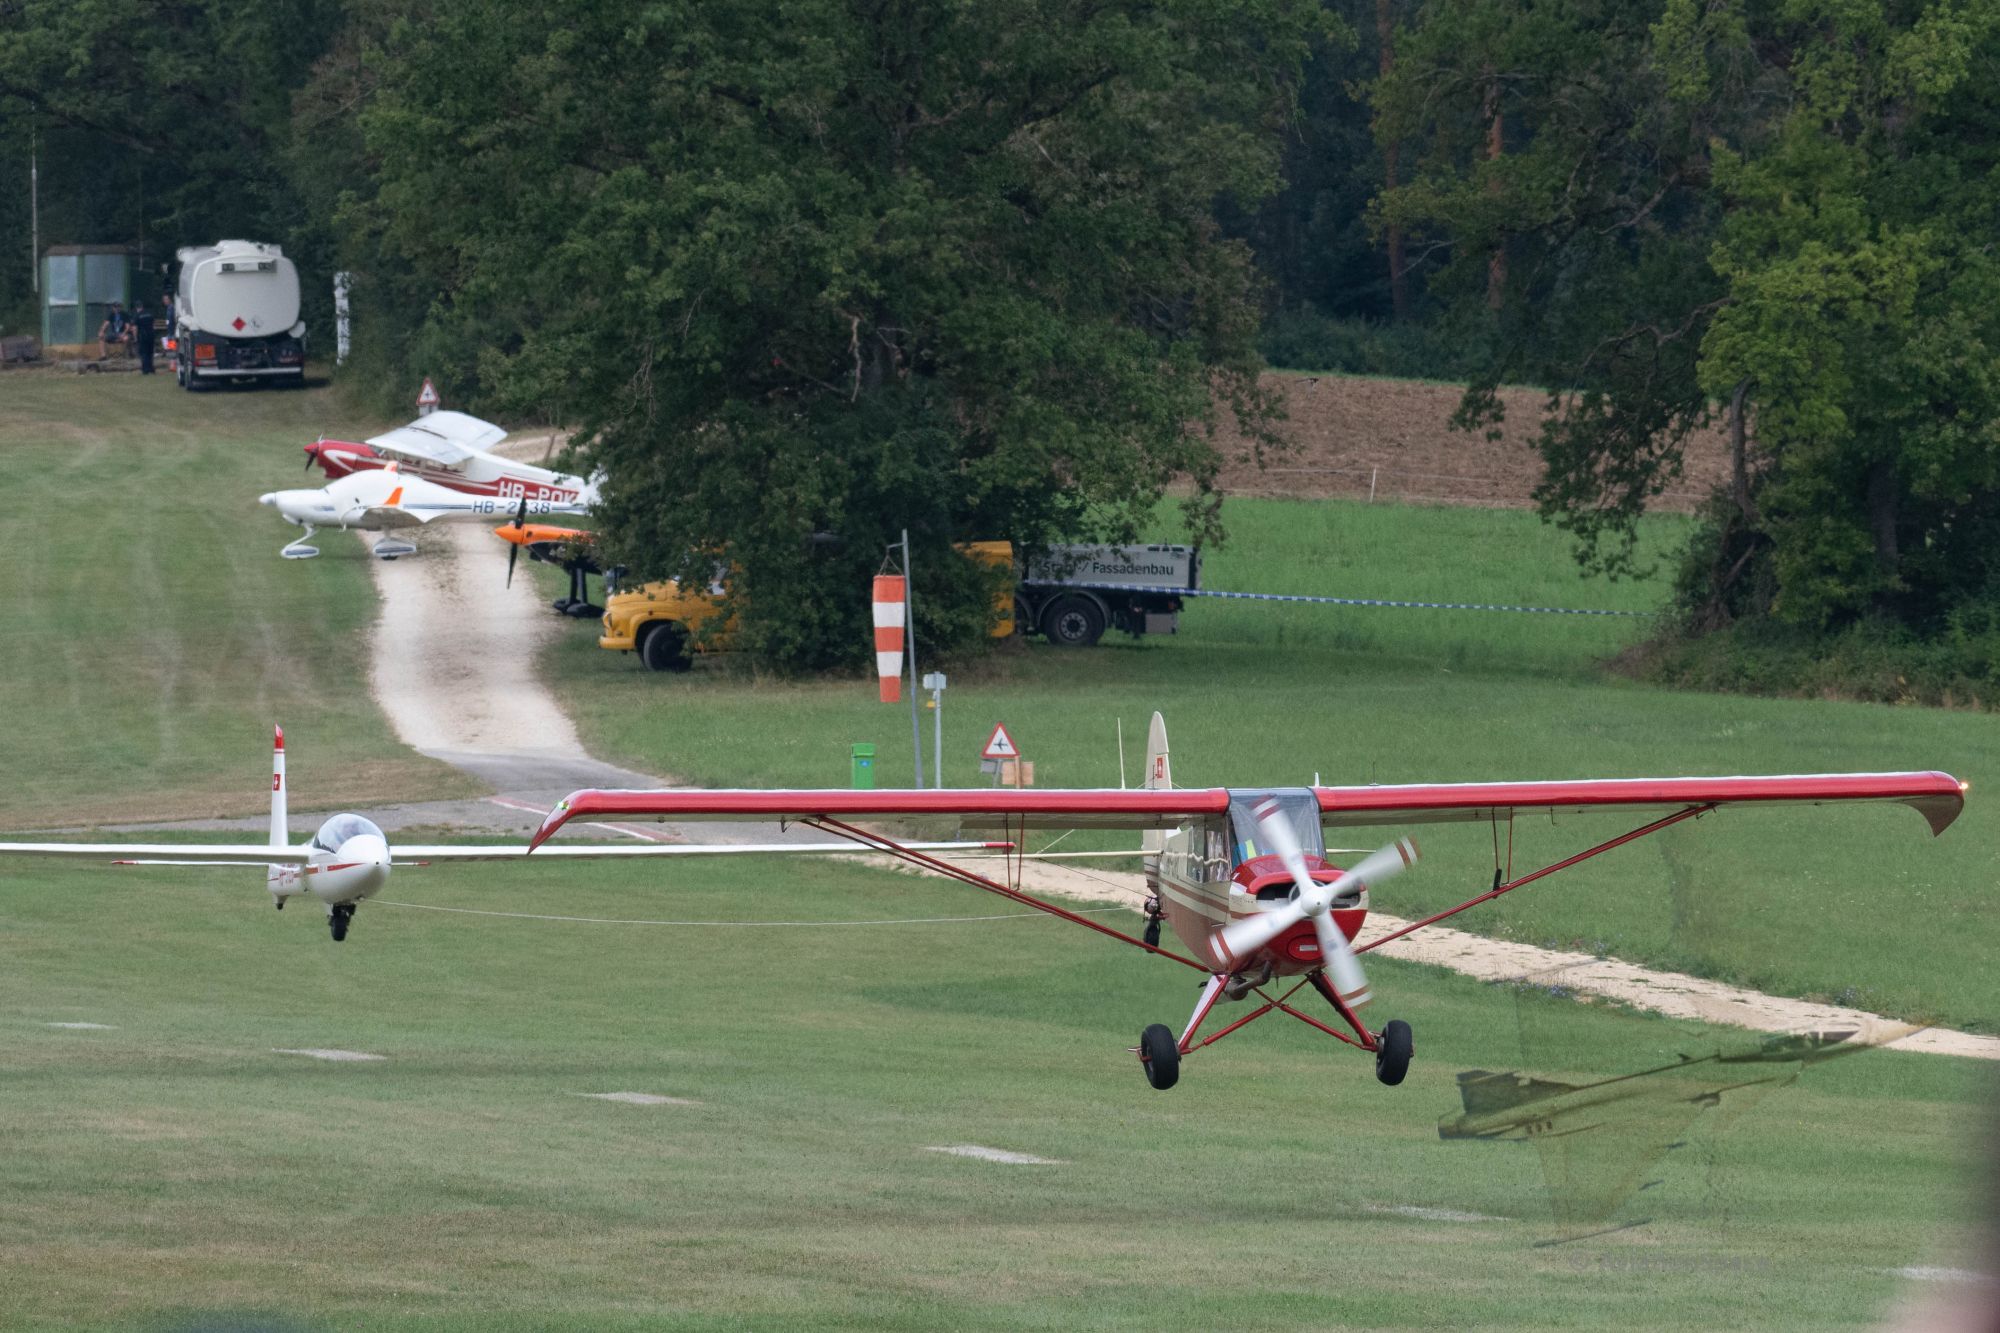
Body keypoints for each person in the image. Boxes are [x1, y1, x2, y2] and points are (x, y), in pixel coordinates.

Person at [131, 303, 155, 375]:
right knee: (150, 352)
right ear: (142, 307)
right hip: (151, 335)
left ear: (136, 308)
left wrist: (135, 338)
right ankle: (151, 368)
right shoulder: (149, 314)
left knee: (143, 353)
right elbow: (153, 325)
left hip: (143, 336)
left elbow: (135, 328)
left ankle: (145, 369)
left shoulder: (137, 316)